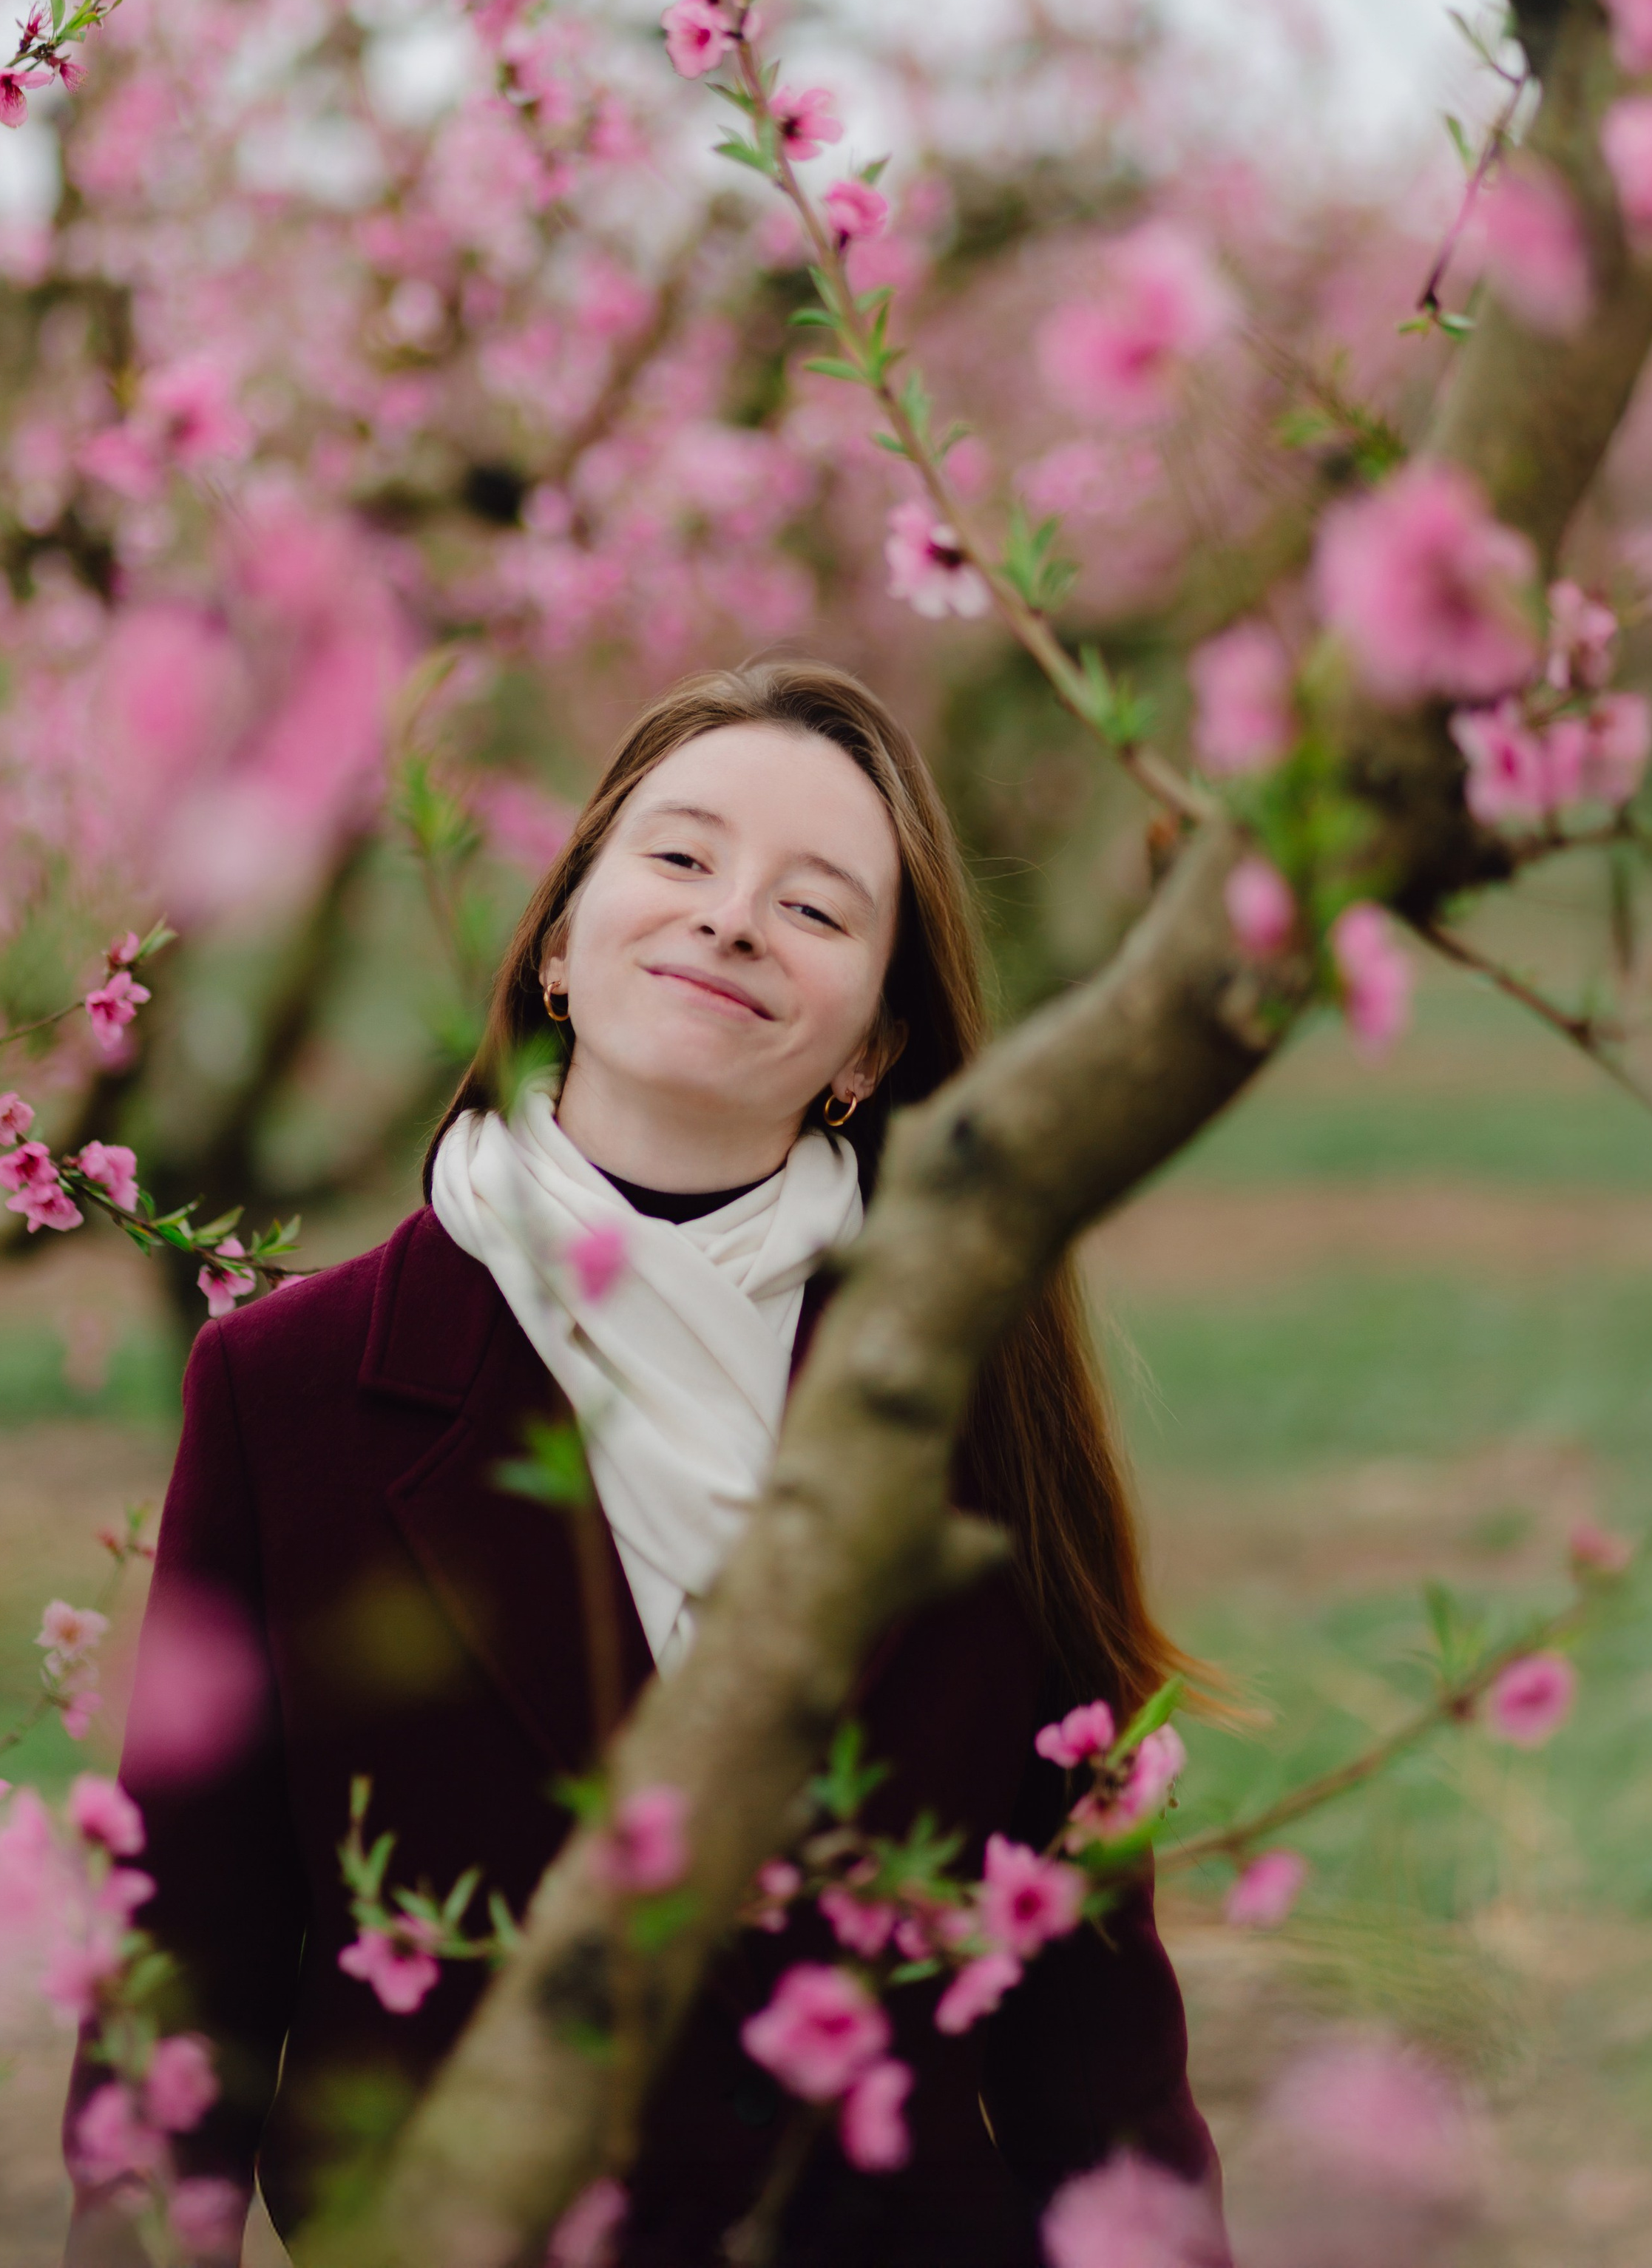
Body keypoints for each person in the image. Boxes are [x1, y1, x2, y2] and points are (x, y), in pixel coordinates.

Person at [64, 660, 1222, 2267]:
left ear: (871, 1049)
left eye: (816, 907)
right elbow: (191, 1954)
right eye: (678, 857)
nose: (733, 916)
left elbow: (1092, 2048)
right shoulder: (291, 1387)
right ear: (555, 943)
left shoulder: (965, 1400)